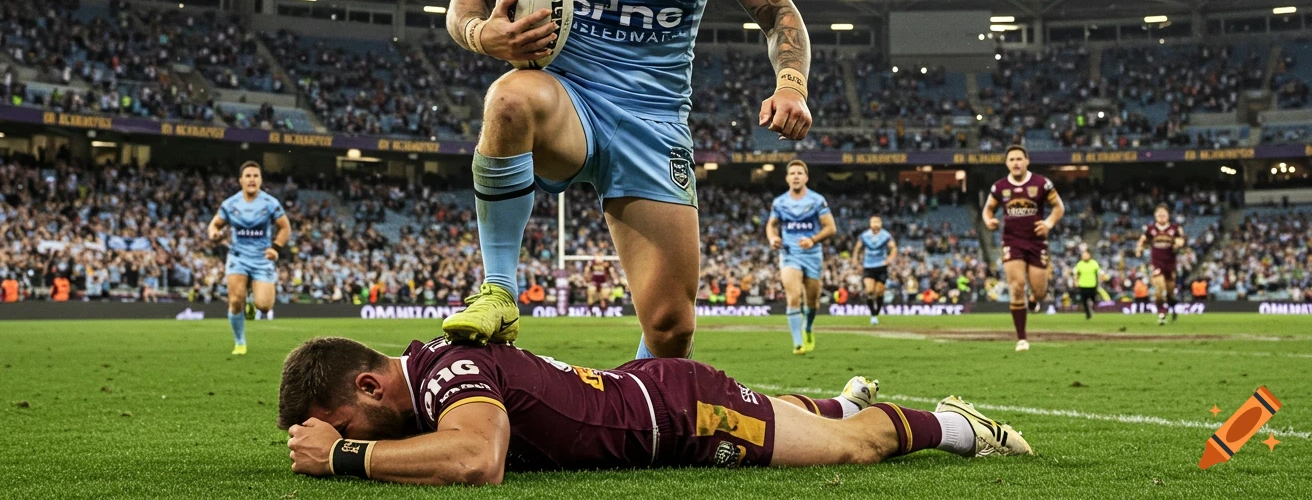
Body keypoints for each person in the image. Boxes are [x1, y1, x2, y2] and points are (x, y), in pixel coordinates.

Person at [441, 0, 812, 360]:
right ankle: (500, 290)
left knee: (671, 331)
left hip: (654, 122)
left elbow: (781, 15)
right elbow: (465, 1)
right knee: (509, 95)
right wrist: (489, 37)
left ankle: (633, 416)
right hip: (572, 104)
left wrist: (790, 84)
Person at [279, 336, 1032, 486]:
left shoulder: (452, 374)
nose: (337, 437)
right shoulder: (440, 366)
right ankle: (835, 400)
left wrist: (344, 458)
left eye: (340, 421)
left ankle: (959, 427)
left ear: (372, 387)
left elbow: (478, 460)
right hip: (647, 391)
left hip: (682, 418)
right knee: (806, 420)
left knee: (849, 449)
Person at [982, 145, 1064, 352]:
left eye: (1019, 159)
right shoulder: (1000, 187)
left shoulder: (1042, 183)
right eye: (1012, 160)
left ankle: (1034, 299)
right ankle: (1021, 338)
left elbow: (1058, 207)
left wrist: (1049, 224)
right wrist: (989, 220)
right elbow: (988, 209)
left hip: (1037, 242)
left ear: (1027, 161)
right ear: (1006, 163)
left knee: (1041, 292)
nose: (1016, 163)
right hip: (1012, 241)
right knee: (1017, 286)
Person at [207, 161, 291, 355]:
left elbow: (285, 227)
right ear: (241, 180)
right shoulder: (230, 204)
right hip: (238, 257)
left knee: (265, 306)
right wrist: (213, 233)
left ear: (261, 180)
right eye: (248, 176)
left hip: (262, 258)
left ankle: (253, 300)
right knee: (236, 300)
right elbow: (214, 225)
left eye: (255, 175)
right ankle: (240, 342)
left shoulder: (270, 203)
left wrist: (276, 247)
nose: (252, 179)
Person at [766, 160, 835, 353]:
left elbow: (831, 227)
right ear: (787, 178)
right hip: (790, 253)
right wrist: (773, 238)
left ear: (806, 177)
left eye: (799, 173)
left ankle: (807, 327)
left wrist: (813, 239)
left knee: (812, 301)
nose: (796, 176)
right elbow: (771, 224)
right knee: (793, 296)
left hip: (812, 254)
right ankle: (797, 342)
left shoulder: (816, 200)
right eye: (792, 173)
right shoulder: (779, 202)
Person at [1135, 205, 1184, 325]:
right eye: (1159, 214)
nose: (1161, 216)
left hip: (1170, 263)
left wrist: (1178, 244)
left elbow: (1181, 240)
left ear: (1168, 215)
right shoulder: (1151, 229)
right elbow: (1142, 239)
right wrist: (1139, 249)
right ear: (1155, 216)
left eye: (1164, 214)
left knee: (1170, 292)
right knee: (1159, 289)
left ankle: (1172, 306)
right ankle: (1161, 314)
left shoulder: (1175, 228)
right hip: (1157, 263)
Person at [851, 215, 896, 326]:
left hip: (881, 267)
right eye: (873, 222)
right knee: (870, 291)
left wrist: (890, 259)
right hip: (869, 266)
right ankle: (873, 315)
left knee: (879, 292)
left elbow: (893, 248)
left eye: (877, 222)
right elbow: (857, 248)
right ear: (870, 224)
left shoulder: (886, 235)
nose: (875, 224)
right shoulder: (865, 236)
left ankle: (877, 312)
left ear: (881, 224)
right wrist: (855, 259)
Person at [1072, 249, 1102, 319]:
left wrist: (1099, 281)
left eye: (1086, 255)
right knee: (1084, 300)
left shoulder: (1094, 263)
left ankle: (1092, 309)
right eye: (1083, 255)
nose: (1085, 257)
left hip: (1092, 284)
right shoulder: (1079, 264)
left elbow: (1098, 274)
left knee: (1093, 299)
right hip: (1083, 284)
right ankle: (1088, 314)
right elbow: (1076, 274)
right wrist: (1076, 281)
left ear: (1089, 255)